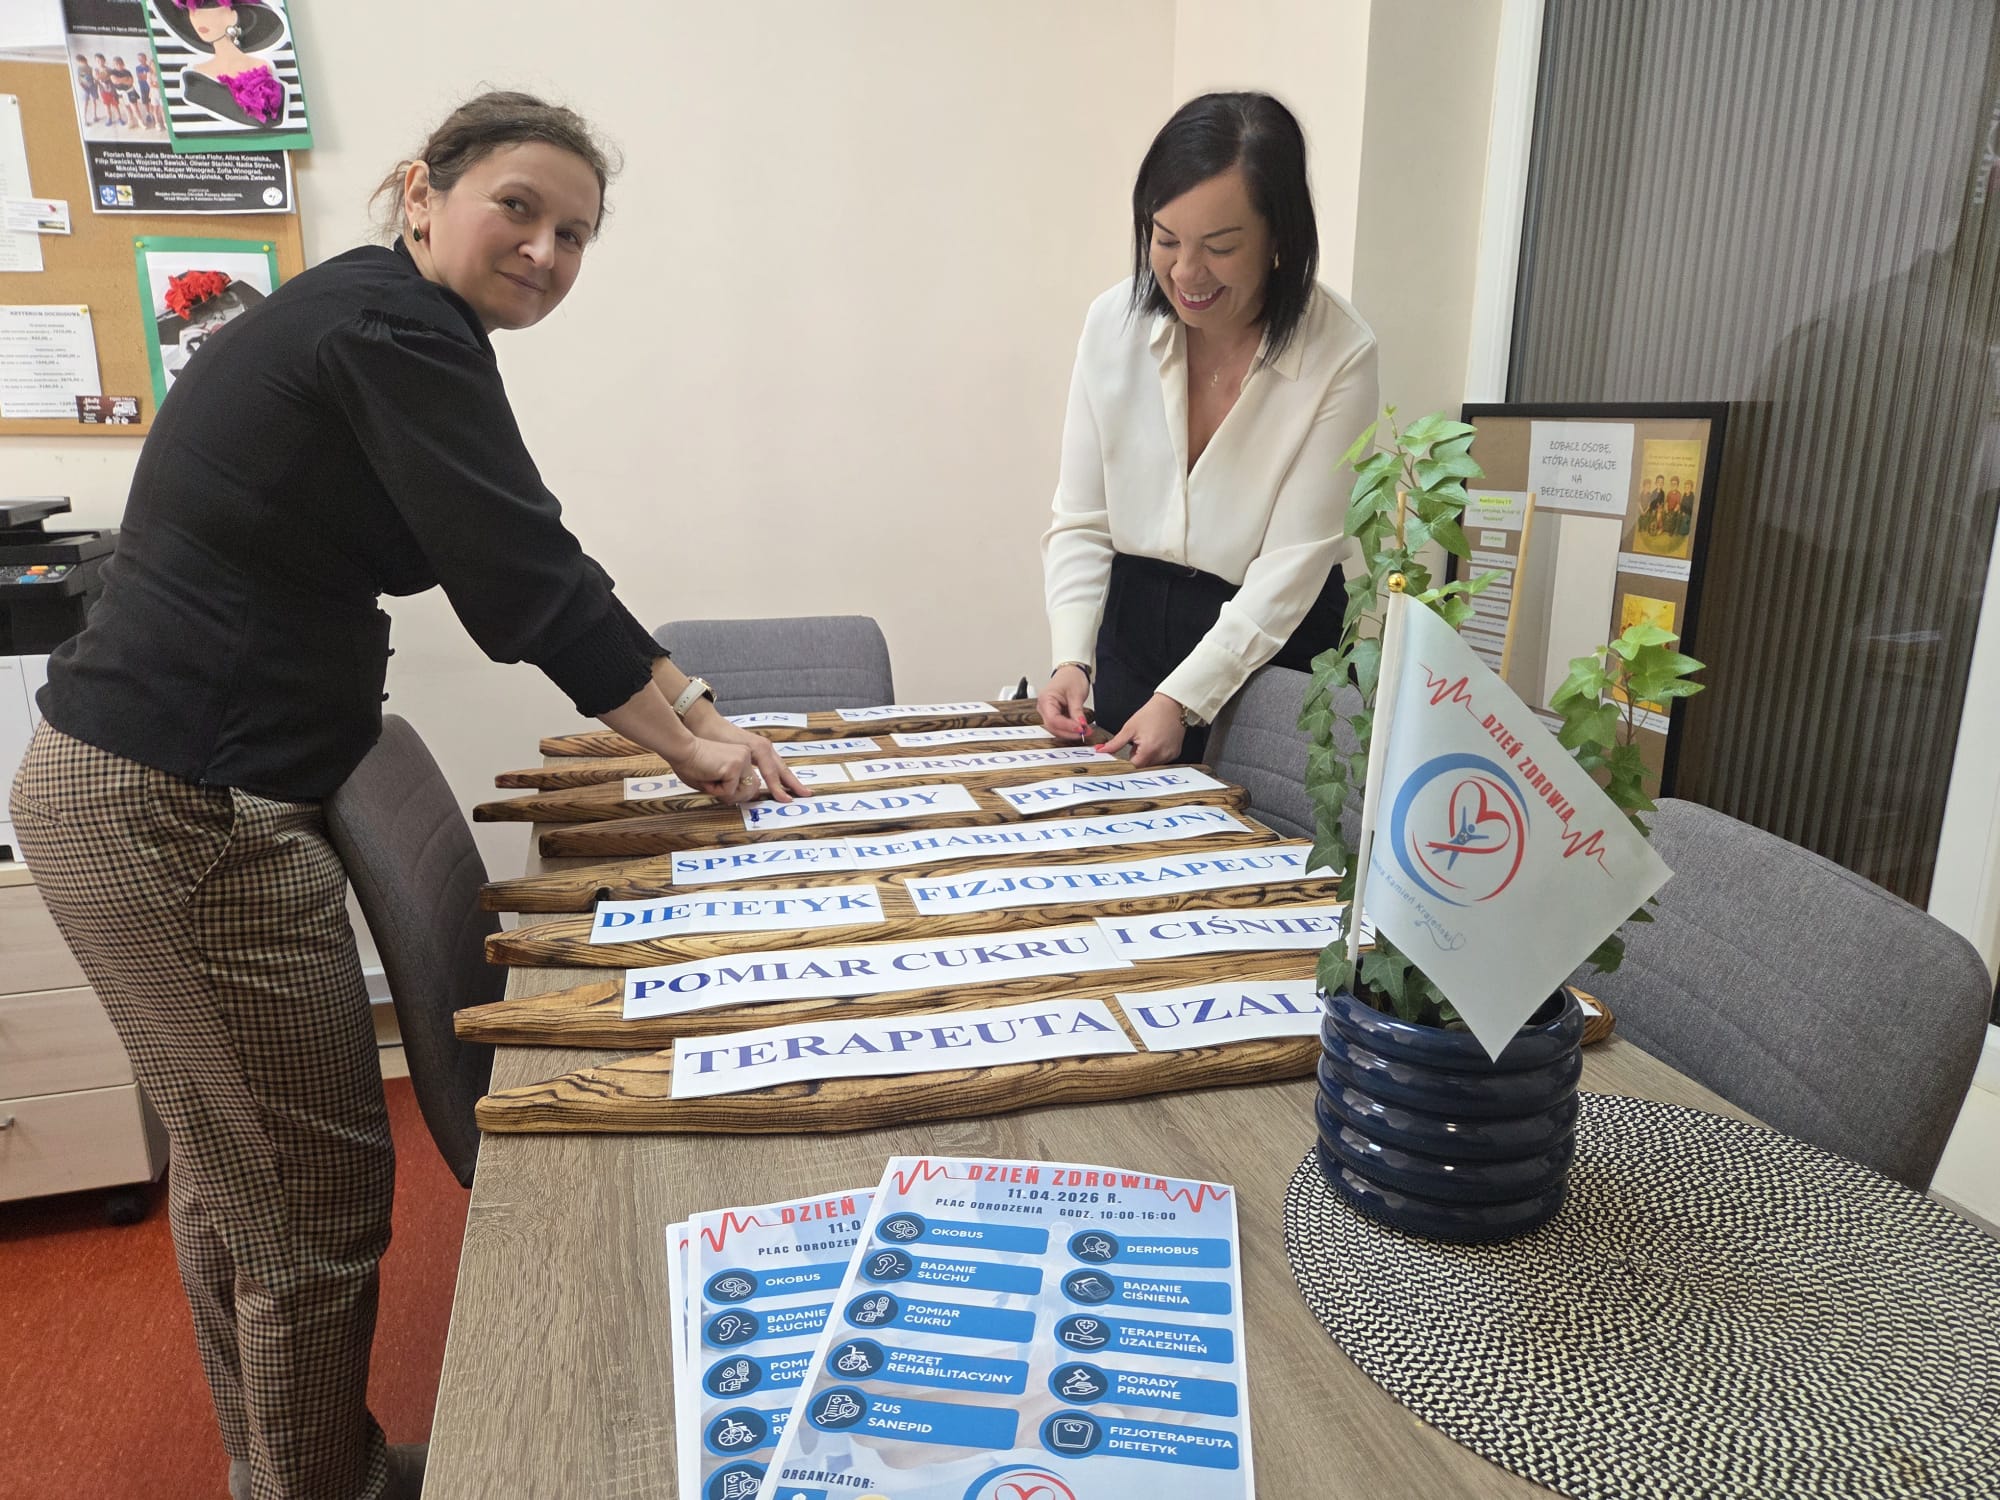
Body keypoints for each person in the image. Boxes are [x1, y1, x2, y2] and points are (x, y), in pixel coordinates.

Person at [8, 91, 801, 1500]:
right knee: (309, 1202)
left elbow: (532, 557)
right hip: (182, 806)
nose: (547, 251)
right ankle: (319, 1485)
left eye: (576, 235)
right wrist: (687, 746)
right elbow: (524, 575)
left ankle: (292, 1469)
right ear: (421, 190)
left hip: (143, 784)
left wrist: (692, 709)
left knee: (238, 1179)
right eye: (520, 208)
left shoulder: (376, 318)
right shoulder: (395, 329)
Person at [1038, 92, 1378, 765]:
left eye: (1220, 247)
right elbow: (1082, 519)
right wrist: (1070, 657)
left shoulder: (1340, 352)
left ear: (1279, 239)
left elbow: (1293, 565)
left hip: (1276, 650)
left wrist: (1183, 698)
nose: (1186, 273)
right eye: (1165, 239)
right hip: (1135, 626)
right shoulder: (1113, 325)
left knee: (1257, 823)